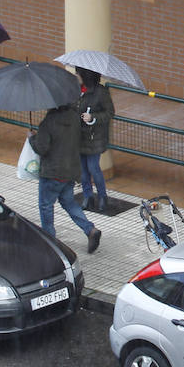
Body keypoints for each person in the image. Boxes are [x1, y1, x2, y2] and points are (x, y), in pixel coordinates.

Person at [30, 104, 101, 254]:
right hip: (71, 170)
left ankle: (49, 241)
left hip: (52, 173)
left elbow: (41, 148)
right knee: (68, 202)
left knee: (46, 206)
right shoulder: (75, 117)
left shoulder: (48, 122)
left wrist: (32, 138)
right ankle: (90, 229)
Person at [76, 67, 114, 212]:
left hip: (94, 137)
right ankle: (88, 196)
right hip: (78, 136)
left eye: (78, 73)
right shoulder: (76, 91)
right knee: (83, 170)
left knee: (93, 168)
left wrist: (93, 118)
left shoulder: (101, 92)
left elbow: (110, 113)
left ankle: (103, 197)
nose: (75, 76)